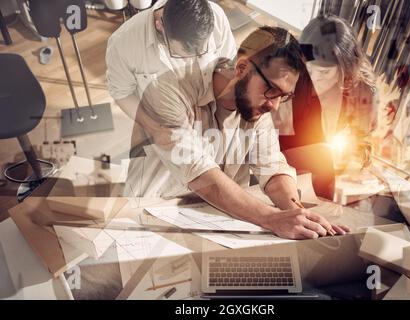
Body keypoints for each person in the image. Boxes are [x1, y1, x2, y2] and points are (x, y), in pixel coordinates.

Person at [122, 26, 350, 240]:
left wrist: (295, 212)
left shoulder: (255, 106)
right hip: (147, 222)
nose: (275, 106)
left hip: (214, 221)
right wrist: (271, 218)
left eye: (284, 96)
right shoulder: (166, 91)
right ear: (242, 68)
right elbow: (199, 172)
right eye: (272, 90)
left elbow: (272, 168)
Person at [105, 0, 236, 157]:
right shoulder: (123, 44)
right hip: (164, 125)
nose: (193, 58)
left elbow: (227, 65)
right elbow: (121, 94)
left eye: (202, 51)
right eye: (182, 53)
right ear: (161, 26)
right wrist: (155, 130)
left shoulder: (216, 16)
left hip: (211, 111)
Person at [274, 15, 378, 199]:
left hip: (329, 182)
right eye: (309, 67)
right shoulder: (291, 75)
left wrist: (355, 155)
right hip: (282, 169)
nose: (315, 76)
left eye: (324, 72)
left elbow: (362, 143)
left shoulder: (361, 89)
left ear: (345, 67)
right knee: (322, 154)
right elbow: (268, 142)